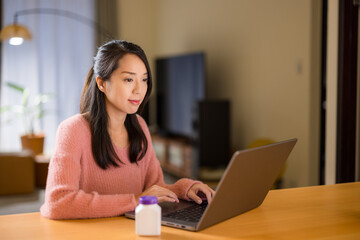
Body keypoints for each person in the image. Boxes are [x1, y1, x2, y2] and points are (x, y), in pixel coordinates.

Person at [40, 40, 215, 219]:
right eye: (129, 79)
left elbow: (154, 190)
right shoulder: (73, 130)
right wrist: (135, 200)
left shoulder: (139, 126)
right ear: (101, 83)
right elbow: (58, 202)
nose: (139, 90)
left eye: (144, 79)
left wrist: (181, 189)